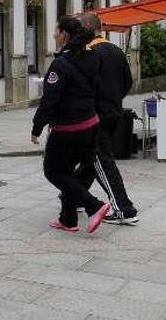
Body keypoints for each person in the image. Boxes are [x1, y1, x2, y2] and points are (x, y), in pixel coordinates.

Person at [31, 16, 109, 233]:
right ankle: (68, 219)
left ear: (64, 34)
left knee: (53, 172)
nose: (54, 35)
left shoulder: (61, 64)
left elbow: (49, 101)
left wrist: (36, 128)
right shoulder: (92, 57)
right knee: (67, 172)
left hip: (68, 129)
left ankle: (95, 206)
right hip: (90, 124)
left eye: (56, 31)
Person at [74, 12, 138, 225]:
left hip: (95, 115)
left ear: (87, 30)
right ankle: (75, 196)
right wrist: (114, 99)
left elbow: (83, 86)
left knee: (101, 160)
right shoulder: (115, 50)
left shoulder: (90, 52)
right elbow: (128, 81)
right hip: (113, 112)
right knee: (89, 158)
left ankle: (123, 207)